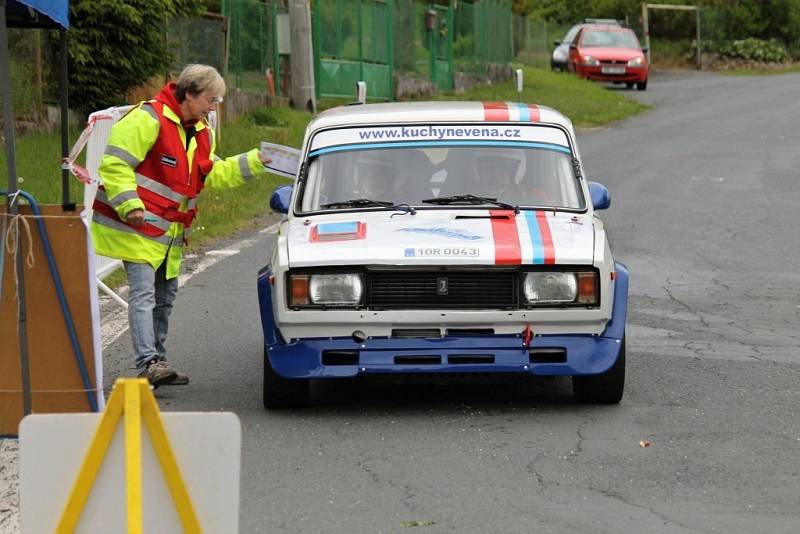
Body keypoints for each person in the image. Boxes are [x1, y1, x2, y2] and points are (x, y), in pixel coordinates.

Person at [90, 64, 271, 387]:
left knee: (165, 297)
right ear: (189, 94)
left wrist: (255, 161)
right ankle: (149, 361)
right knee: (144, 295)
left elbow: (211, 174)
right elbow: (115, 163)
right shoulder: (148, 118)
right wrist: (130, 205)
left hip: (170, 234)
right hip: (137, 227)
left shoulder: (201, 131)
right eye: (210, 100)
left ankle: (158, 361)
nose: (214, 108)